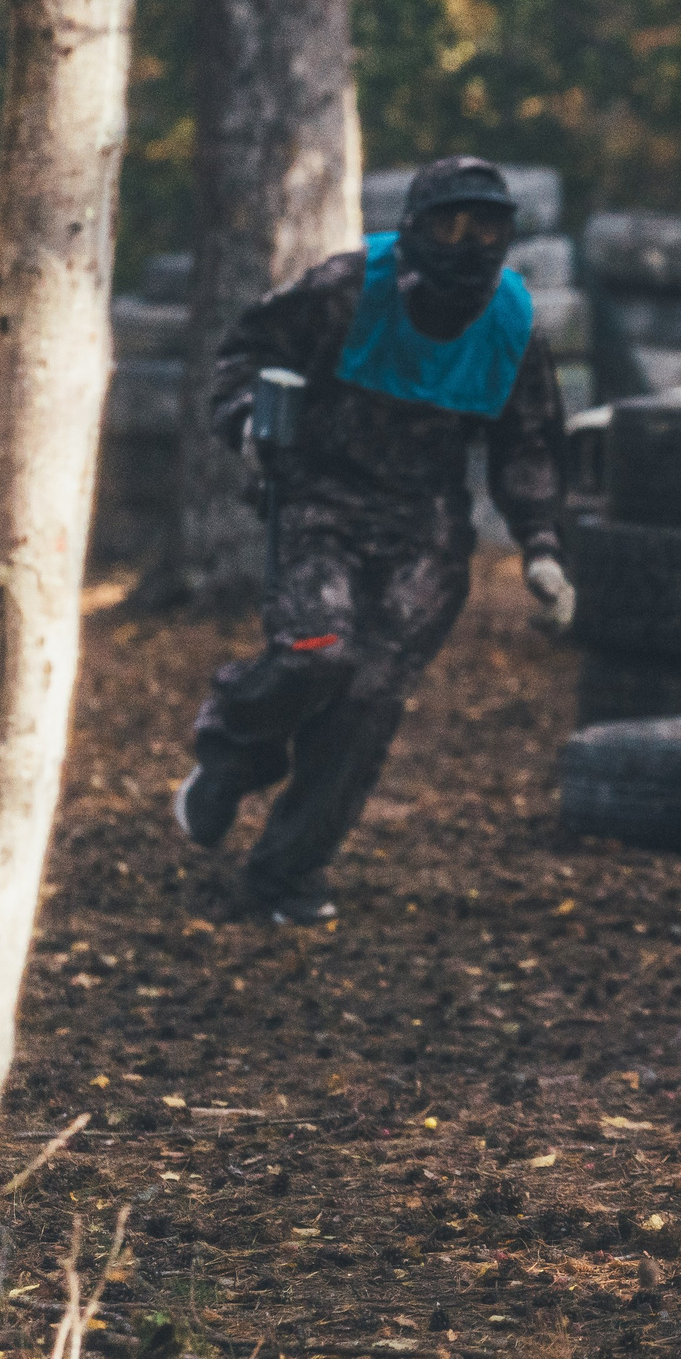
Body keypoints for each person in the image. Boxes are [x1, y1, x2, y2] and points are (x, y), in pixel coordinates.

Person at [172, 156, 575, 925]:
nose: (468, 245)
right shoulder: (347, 289)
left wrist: (543, 549)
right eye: (451, 225)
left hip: (423, 529)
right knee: (319, 648)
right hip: (319, 502)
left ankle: (286, 875)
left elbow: (528, 442)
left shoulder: (511, 323)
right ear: (415, 231)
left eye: (486, 228)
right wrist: (249, 426)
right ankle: (232, 753)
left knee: (368, 696)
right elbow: (244, 353)